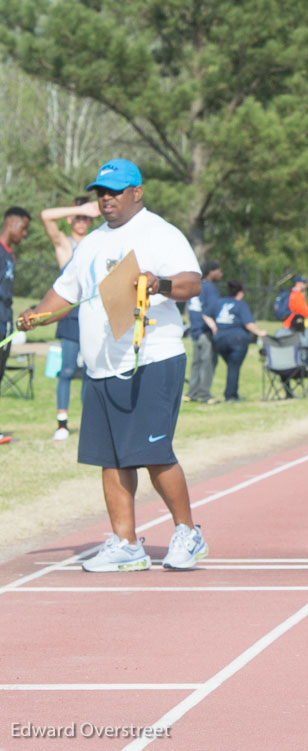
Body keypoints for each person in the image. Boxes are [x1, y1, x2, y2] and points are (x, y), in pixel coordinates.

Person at [17, 158, 209, 571]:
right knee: (112, 458)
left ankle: (187, 533)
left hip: (153, 358)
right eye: (100, 193)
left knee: (153, 453)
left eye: (114, 192)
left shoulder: (159, 233)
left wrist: (161, 283)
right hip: (101, 365)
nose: (105, 200)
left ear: (137, 193)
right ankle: (126, 544)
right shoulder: (91, 243)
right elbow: (63, 295)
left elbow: (193, 283)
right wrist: (37, 314)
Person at [40, 197, 98, 440]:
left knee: (91, 372)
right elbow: (46, 215)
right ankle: (62, 424)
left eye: (87, 218)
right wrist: (79, 209)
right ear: (71, 219)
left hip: (93, 314)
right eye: (78, 218)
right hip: (70, 316)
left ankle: (89, 423)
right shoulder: (65, 244)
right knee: (66, 369)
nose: (82, 222)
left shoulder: (97, 243)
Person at [0, 207, 32, 446]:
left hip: (6, 326)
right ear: (11, 223)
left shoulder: (9, 255)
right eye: (24, 228)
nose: (25, 234)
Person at [208, 279, 266, 402]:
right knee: (234, 367)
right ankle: (231, 396)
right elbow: (248, 323)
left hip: (219, 340)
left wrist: (213, 326)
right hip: (237, 340)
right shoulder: (241, 305)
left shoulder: (219, 302)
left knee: (231, 366)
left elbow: (205, 314)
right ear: (240, 293)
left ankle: (231, 393)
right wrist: (259, 333)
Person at [184, 260, 222, 404]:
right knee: (208, 362)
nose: (221, 274)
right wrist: (213, 326)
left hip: (195, 329)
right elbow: (210, 310)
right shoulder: (210, 288)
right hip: (205, 331)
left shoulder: (197, 286)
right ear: (211, 272)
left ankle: (191, 393)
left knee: (196, 363)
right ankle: (204, 395)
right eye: (219, 271)